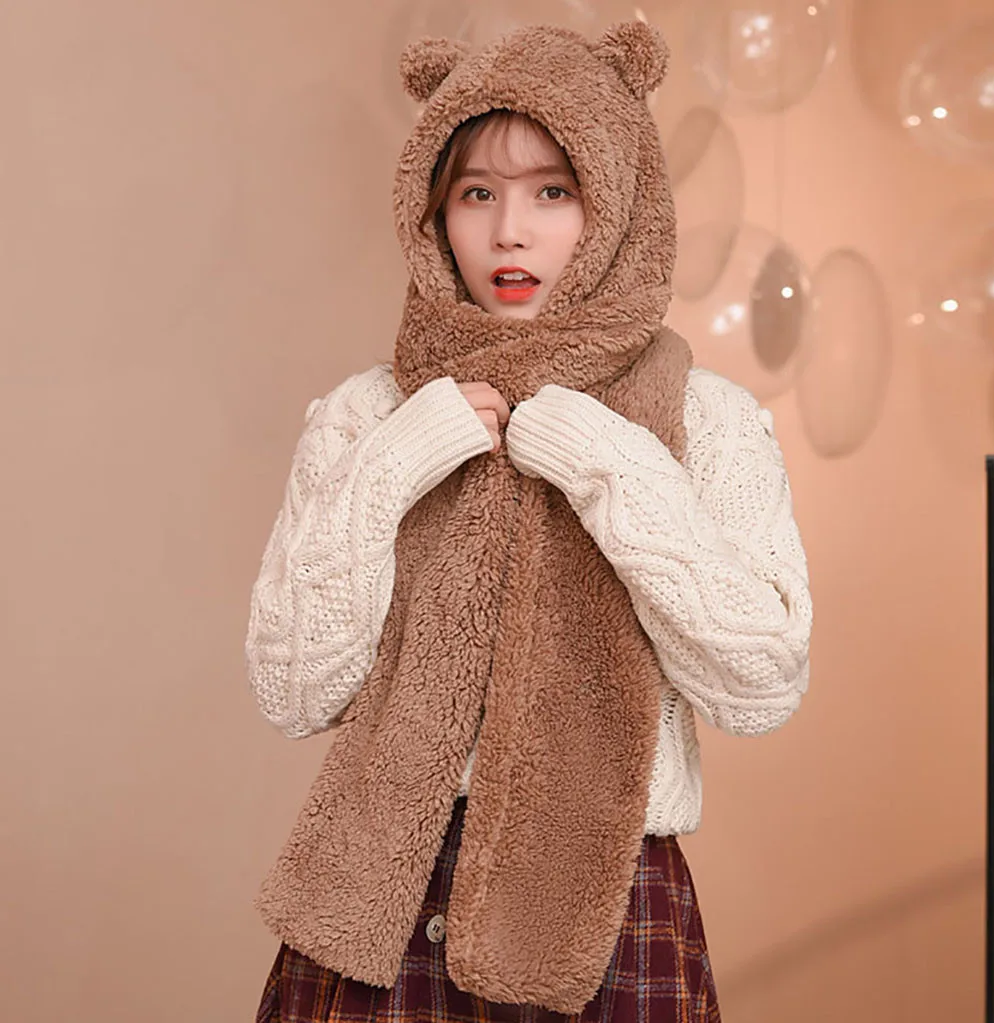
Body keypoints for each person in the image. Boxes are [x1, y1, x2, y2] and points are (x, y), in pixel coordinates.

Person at [246, 19, 813, 1023]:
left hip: (602, 909)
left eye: (554, 190)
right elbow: (292, 691)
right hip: (384, 903)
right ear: (431, 213)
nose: (509, 231)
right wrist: (395, 466)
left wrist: (608, 466)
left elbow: (759, 685)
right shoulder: (369, 417)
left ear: (621, 200)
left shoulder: (705, 419)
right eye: (477, 193)